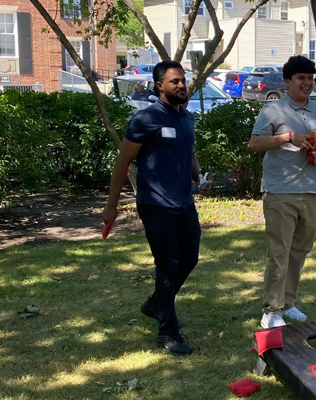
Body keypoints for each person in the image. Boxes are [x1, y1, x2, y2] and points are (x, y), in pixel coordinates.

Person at [102, 60, 203, 355]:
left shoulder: (186, 118)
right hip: (155, 204)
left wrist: (195, 171)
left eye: (183, 80)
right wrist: (111, 207)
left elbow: (188, 147)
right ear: (160, 86)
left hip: (184, 201)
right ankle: (168, 333)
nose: (181, 85)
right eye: (174, 82)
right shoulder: (145, 119)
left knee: (190, 258)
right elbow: (123, 164)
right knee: (168, 265)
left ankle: (157, 303)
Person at [248, 55, 316, 329]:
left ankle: (289, 303)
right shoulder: (273, 110)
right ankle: (272, 311)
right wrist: (288, 137)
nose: (307, 83)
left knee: (300, 250)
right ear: (287, 81)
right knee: (279, 252)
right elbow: (254, 144)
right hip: (280, 191)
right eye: (301, 78)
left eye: (310, 78)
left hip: (311, 190)